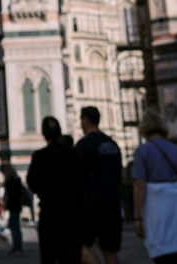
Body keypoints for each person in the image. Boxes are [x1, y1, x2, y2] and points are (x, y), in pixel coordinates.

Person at [132, 109, 177, 264]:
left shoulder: (143, 151)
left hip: (157, 205)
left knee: (162, 249)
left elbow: (139, 185)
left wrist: (137, 217)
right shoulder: (176, 149)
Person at [27, 115, 83, 264]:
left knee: (49, 257)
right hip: (71, 215)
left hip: (50, 214)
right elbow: (82, 182)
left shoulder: (40, 156)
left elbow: (32, 183)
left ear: (44, 134)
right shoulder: (73, 155)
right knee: (71, 258)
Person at [75, 105, 122, 264]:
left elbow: (77, 178)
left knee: (79, 246)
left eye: (81, 120)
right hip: (113, 204)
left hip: (91, 205)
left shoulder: (84, 145)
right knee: (110, 250)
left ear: (86, 120)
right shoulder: (112, 144)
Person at [4, 165, 24, 253]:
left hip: (13, 206)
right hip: (17, 206)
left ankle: (16, 246)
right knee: (17, 227)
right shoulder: (17, 180)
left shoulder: (10, 181)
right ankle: (19, 246)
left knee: (14, 227)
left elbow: (9, 194)